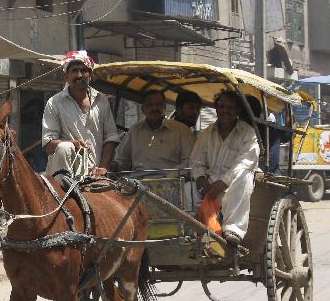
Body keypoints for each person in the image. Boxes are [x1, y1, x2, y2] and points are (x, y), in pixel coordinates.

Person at [190, 90, 260, 245]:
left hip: (234, 183)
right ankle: (192, 228)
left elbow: (246, 161)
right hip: (209, 183)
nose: (225, 111)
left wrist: (223, 183)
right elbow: (196, 161)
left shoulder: (247, 133)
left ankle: (232, 229)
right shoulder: (207, 133)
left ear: (238, 110)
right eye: (221, 107)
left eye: (230, 107)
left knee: (245, 176)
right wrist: (202, 180)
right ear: (216, 109)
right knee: (186, 185)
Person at [42, 50, 119, 179]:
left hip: (94, 175)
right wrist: (72, 144)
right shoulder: (54, 103)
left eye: (84, 70)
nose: (79, 75)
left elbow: (111, 138)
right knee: (64, 147)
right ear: (66, 77)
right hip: (63, 177)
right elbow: (48, 146)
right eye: (74, 70)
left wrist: (103, 167)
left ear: (90, 75)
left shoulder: (102, 101)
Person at [110, 90, 195, 172]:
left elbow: (190, 161)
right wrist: (112, 165)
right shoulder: (134, 131)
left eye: (158, 104)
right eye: (150, 105)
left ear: (164, 107)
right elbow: (122, 159)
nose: (155, 108)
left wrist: (171, 175)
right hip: (138, 182)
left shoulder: (181, 130)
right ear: (143, 109)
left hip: (171, 182)